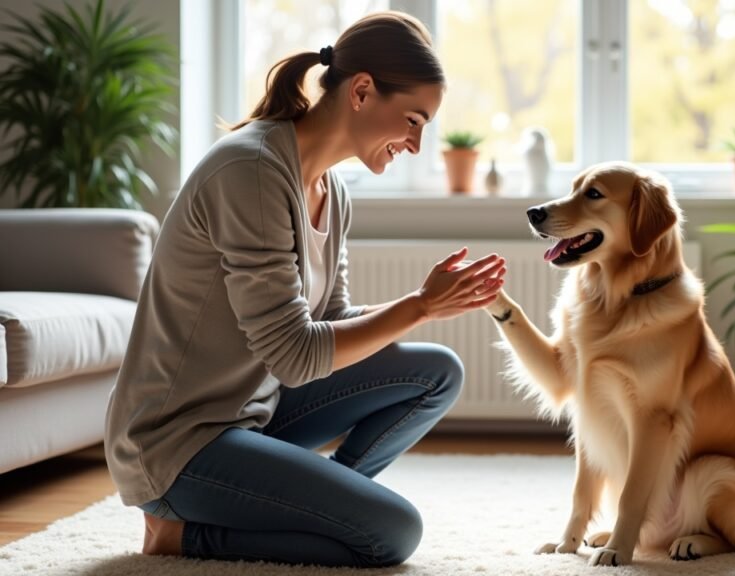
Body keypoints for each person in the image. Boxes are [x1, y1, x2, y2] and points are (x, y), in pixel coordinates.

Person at [104, 11, 505, 568]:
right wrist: (418, 306)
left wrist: (426, 307)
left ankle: (307, 504)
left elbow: (331, 319)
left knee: (436, 370)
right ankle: (181, 534)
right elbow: (295, 356)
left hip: (254, 413)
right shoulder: (251, 171)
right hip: (177, 444)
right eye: (413, 120)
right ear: (362, 91)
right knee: (393, 533)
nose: (416, 144)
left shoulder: (332, 190)